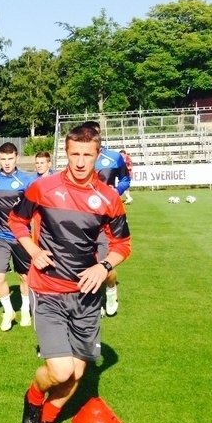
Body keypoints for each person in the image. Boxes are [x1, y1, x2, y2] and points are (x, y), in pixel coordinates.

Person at [9, 124, 131, 423]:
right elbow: (16, 220)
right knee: (60, 371)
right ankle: (33, 399)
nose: (80, 162)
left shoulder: (109, 198)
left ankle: (48, 421)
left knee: (77, 374)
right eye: (74, 154)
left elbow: (123, 244)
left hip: (87, 296)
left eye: (87, 155)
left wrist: (103, 266)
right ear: (66, 152)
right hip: (49, 289)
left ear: (97, 155)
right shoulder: (42, 187)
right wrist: (33, 251)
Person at [0, 142, 36, 331]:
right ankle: (9, 311)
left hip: (21, 237)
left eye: (10, 159)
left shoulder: (27, 181)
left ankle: (26, 310)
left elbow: (35, 206)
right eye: (3, 159)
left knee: (25, 277)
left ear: (16, 158)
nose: (7, 162)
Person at [81, 121, 130, 317]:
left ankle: (110, 290)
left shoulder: (114, 157)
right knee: (86, 260)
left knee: (105, 262)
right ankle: (95, 302)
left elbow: (126, 179)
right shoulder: (82, 159)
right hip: (85, 216)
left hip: (109, 216)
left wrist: (116, 191)